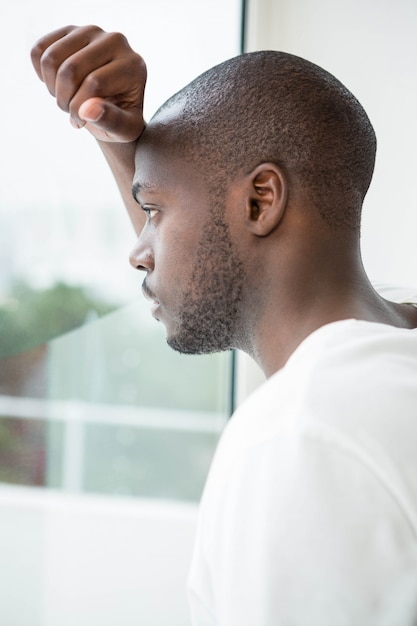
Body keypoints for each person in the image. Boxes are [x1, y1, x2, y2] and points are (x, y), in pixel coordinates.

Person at [31, 25, 417, 625]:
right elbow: (226, 263)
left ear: (262, 201)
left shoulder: (301, 440)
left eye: (153, 210)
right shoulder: (392, 339)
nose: (138, 250)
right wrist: (122, 147)